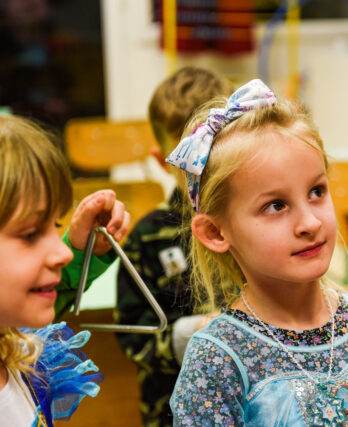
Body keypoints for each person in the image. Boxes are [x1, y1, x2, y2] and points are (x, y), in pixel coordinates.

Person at [167, 79, 348, 426]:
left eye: (317, 192)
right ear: (216, 232)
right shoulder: (217, 358)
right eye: (276, 205)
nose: (309, 222)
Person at [114, 66, 232, 426]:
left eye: (214, 150)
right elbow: (133, 335)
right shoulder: (147, 238)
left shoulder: (254, 223)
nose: (203, 168)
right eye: (189, 157)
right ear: (161, 161)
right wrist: (195, 332)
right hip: (172, 412)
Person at [0, 114, 130, 426]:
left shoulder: (20, 353)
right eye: (31, 234)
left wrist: (85, 250)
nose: (62, 252)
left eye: (55, 225)